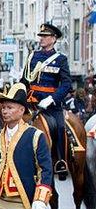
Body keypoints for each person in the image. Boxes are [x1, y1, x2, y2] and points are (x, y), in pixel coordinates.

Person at [20, 23, 72, 176]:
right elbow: (24, 80)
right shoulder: (33, 57)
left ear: (54, 39)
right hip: (31, 102)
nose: (41, 39)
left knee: (60, 127)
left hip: (50, 105)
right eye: (41, 36)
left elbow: (66, 84)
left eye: (45, 36)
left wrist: (52, 99)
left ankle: (61, 161)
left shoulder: (60, 59)